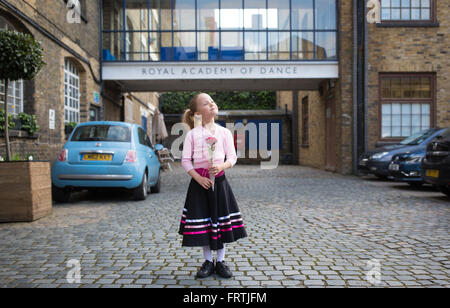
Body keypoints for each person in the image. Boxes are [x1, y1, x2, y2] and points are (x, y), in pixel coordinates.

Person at [179, 93, 247, 279]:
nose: (211, 104)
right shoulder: (192, 134)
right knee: (206, 223)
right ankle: (208, 261)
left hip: (220, 182)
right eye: (205, 103)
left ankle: (221, 261)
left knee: (220, 221)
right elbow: (185, 161)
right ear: (196, 113)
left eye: (212, 101)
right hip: (200, 185)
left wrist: (222, 166)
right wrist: (198, 178)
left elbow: (233, 157)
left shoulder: (224, 133)